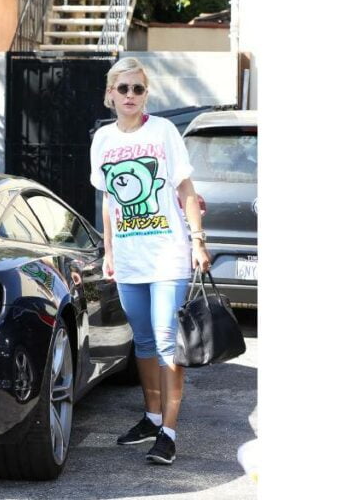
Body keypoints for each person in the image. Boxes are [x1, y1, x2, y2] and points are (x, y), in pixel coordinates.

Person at [89, 57, 211, 465]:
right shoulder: (102, 140)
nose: (130, 95)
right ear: (110, 94)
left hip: (167, 255)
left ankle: (169, 433)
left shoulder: (163, 131)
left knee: (164, 342)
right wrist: (108, 252)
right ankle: (151, 416)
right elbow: (108, 201)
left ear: (146, 95)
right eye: (122, 88)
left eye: (137, 89)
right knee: (141, 342)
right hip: (129, 258)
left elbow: (185, 188)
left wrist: (197, 241)